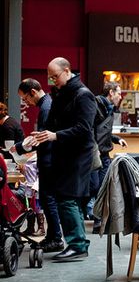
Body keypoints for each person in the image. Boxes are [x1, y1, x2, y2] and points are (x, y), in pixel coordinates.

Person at [31, 57, 97, 261]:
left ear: (67, 71)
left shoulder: (83, 95)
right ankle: (78, 243)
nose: (53, 81)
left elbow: (84, 129)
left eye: (55, 76)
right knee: (67, 198)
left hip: (78, 156)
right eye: (50, 78)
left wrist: (54, 135)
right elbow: (52, 124)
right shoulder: (62, 94)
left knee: (67, 198)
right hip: (65, 154)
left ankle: (77, 244)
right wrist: (40, 135)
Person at [12, 78, 64, 252]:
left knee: (48, 200)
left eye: (26, 98)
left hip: (49, 159)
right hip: (48, 158)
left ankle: (56, 238)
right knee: (47, 200)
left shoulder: (46, 107)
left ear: (33, 92)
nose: (26, 102)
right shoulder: (47, 105)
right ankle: (52, 237)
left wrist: (19, 147)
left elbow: (40, 137)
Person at [89, 82, 128, 233]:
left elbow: (103, 131)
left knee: (102, 187)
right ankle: (88, 215)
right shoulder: (95, 105)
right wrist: (94, 148)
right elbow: (90, 129)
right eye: (118, 93)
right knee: (94, 186)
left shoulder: (110, 109)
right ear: (111, 93)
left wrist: (116, 139)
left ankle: (99, 222)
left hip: (104, 154)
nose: (120, 96)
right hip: (94, 155)